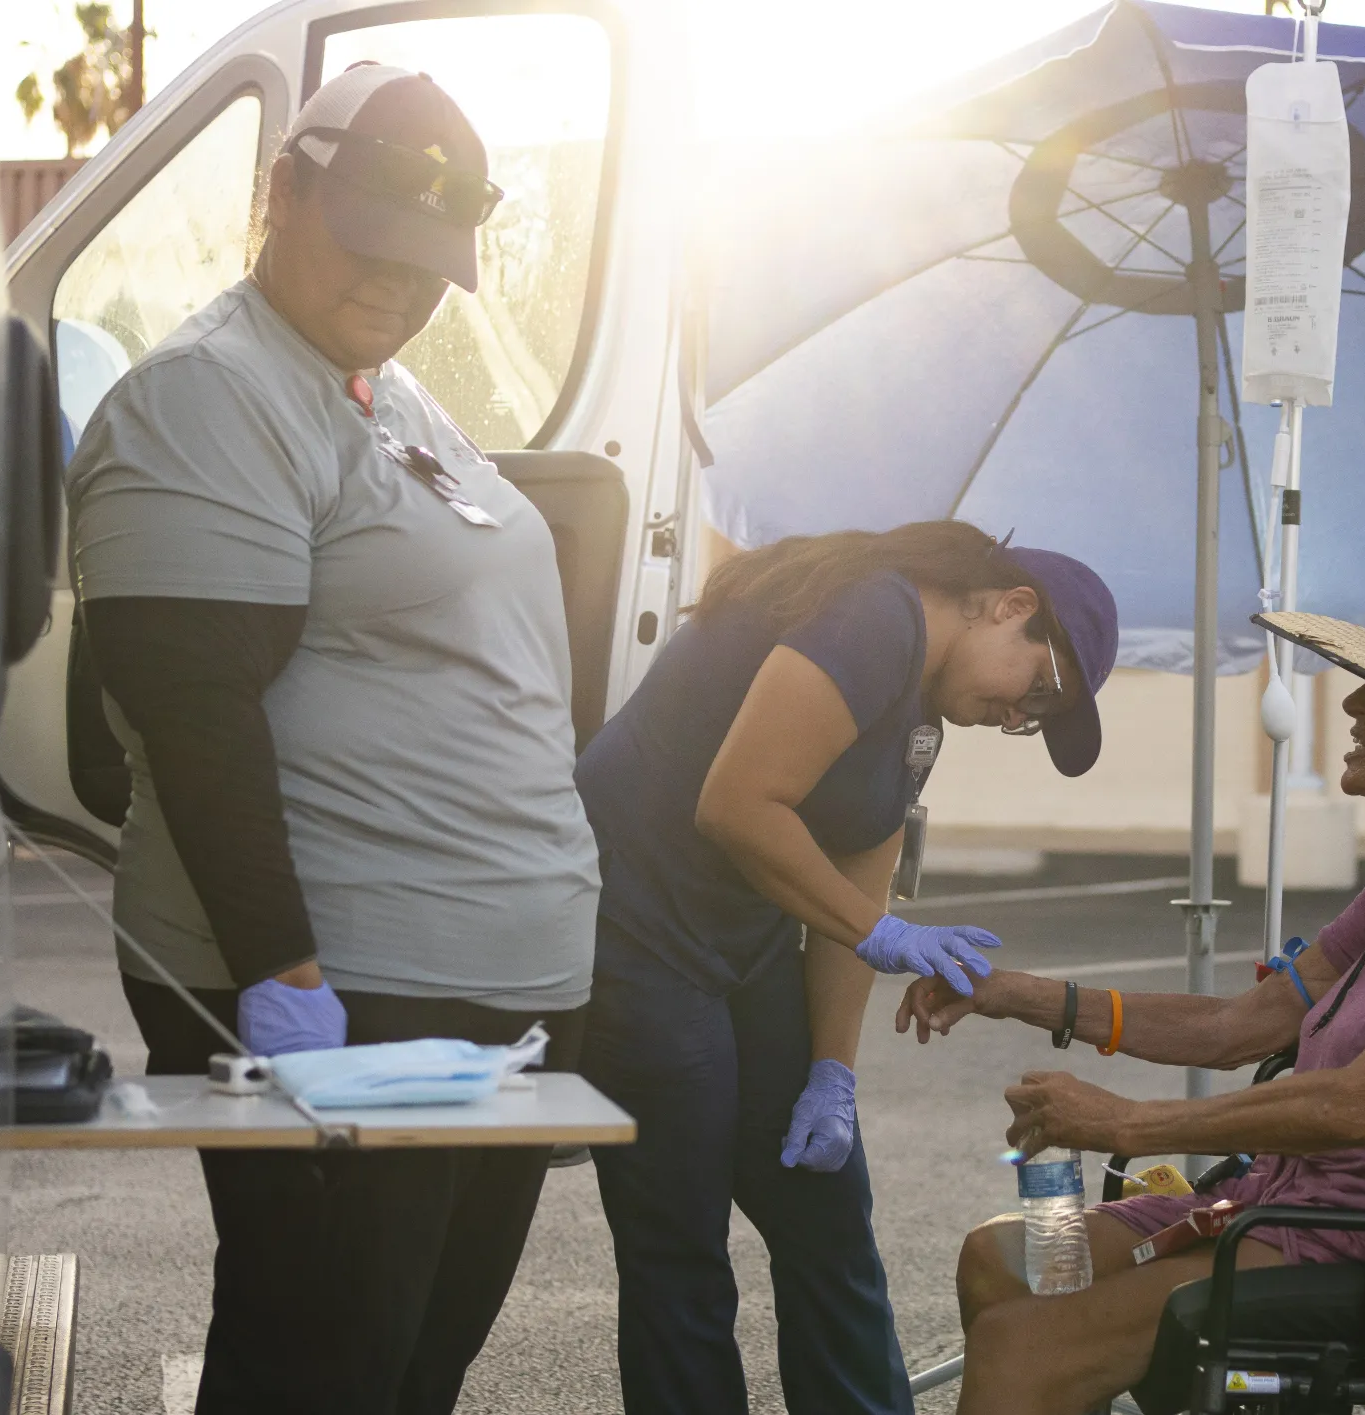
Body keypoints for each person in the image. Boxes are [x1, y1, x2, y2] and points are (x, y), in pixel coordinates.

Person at [63, 64, 598, 1414]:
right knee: (319, 1373)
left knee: (408, 1371)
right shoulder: (210, 392)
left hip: (475, 995)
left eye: (430, 267)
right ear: (282, 191)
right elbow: (193, 709)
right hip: (345, 996)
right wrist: (283, 978)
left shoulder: (379, 390)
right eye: (369, 243)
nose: (397, 286)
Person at [898, 546, 1365, 1415]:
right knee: (999, 1257)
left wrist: (1131, 1123)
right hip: (1285, 1204)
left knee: (1023, 1348)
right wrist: (1010, 992)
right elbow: (1240, 1025)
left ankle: (1062, 1364)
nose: (1352, 703)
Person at [572, 520, 1119, 1415]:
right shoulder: (876, 615)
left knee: (828, 1216)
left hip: (735, 942)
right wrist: (885, 935)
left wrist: (833, 1071)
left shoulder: (919, 718)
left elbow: (858, 878)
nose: (1022, 717)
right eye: (1043, 692)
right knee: (682, 1240)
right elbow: (738, 805)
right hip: (634, 930)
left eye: (1040, 720)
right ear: (1012, 607)